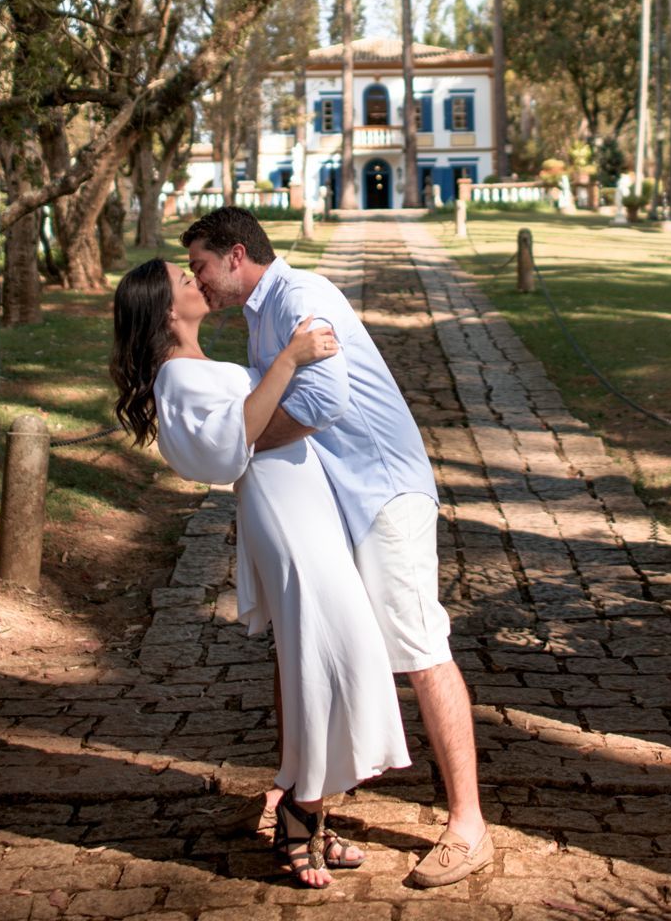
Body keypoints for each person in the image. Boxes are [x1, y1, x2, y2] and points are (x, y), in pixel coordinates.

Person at [183, 206, 493, 889]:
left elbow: (321, 403)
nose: (197, 280)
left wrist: (235, 445)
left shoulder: (302, 296)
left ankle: (469, 825)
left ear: (236, 255)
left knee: (419, 649)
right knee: (304, 644)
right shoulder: (262, 313)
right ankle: (299, 789)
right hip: (334, 502)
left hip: (383, 493)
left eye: (201, 266)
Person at [110, 258, 410, 889]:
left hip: (303, 499)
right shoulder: (177, 376)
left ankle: (311, 812)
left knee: (332, 650)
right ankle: (300, 814)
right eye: (185, 280)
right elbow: (231, 442)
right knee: (327, 650)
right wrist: (290, 359)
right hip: (284, 509)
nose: (197, 282)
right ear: (166, 310)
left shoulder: (192, 365)